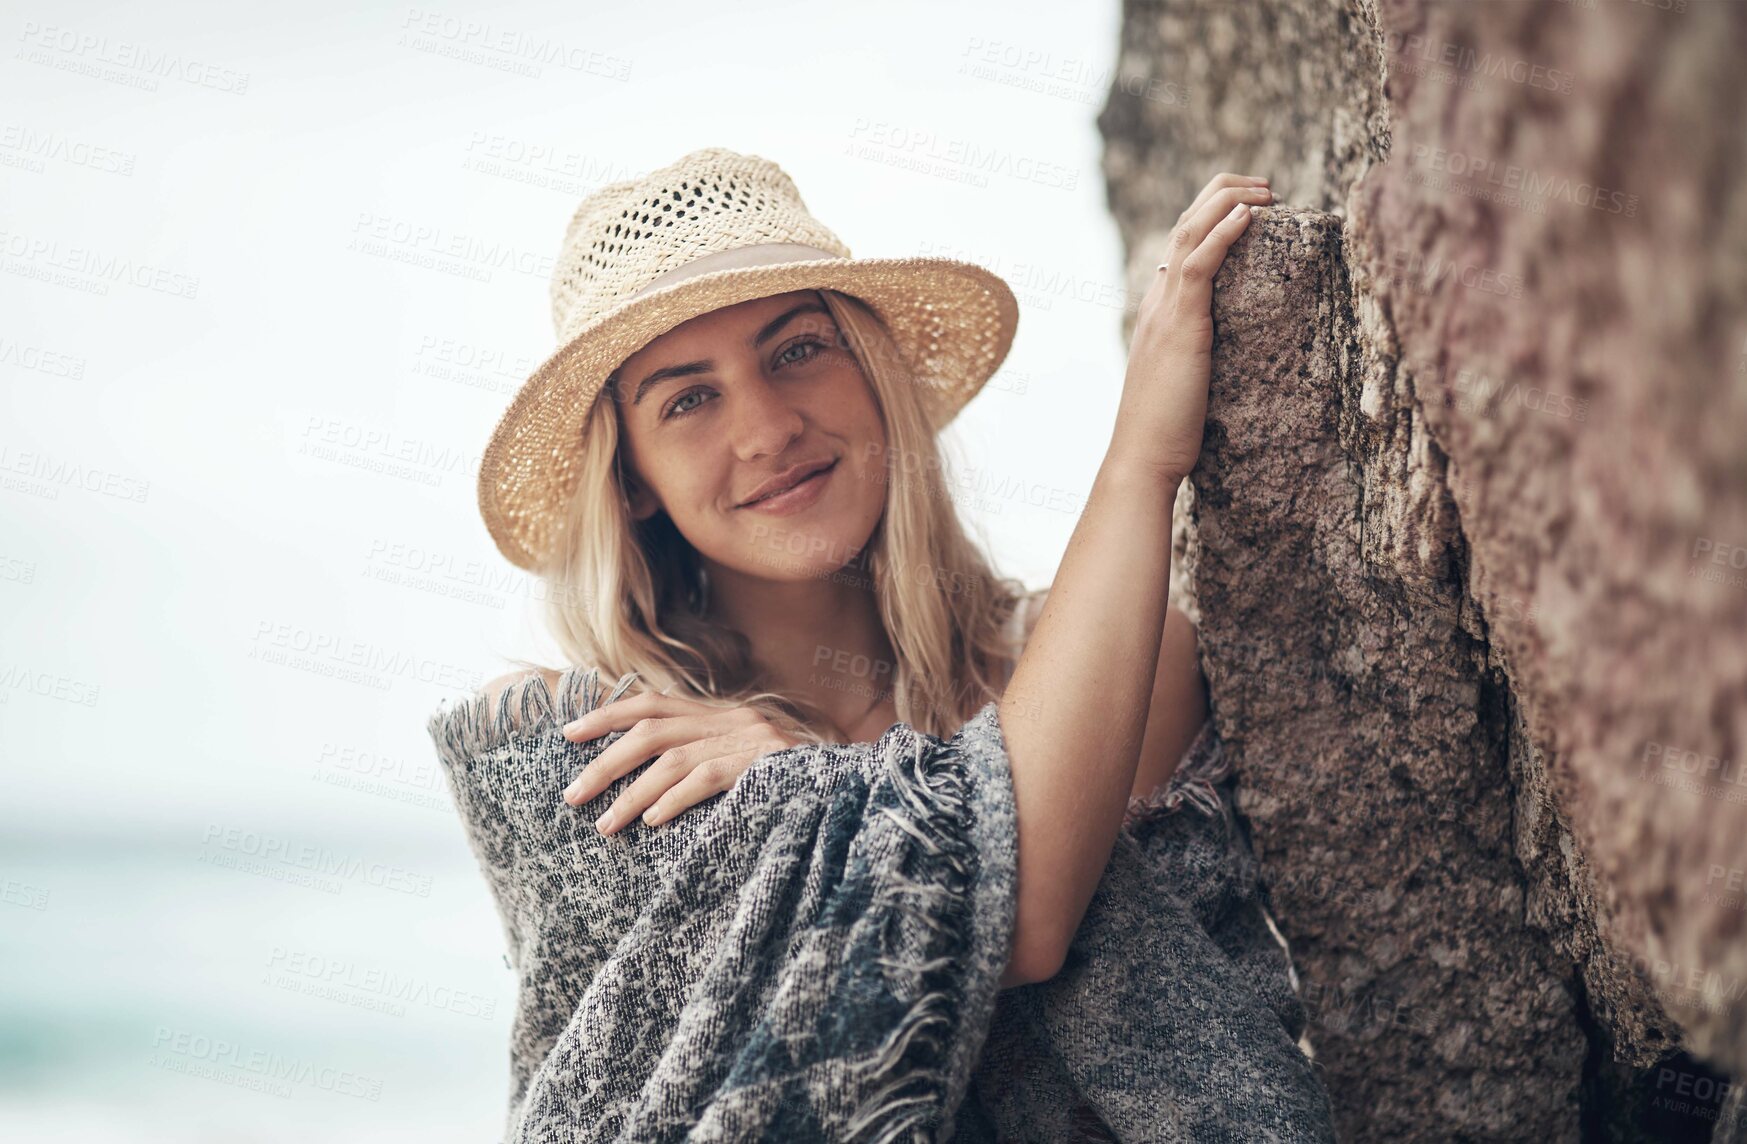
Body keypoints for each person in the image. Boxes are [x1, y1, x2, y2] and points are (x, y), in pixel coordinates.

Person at [464, 147, 1270, 994]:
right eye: (689, 400)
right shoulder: (583, 751)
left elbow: (1017, 916)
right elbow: (1008, 917)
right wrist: (1141, 461)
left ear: (873, 372)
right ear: (630, 481)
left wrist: (803, 790)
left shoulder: (1122, 660)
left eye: (798, 351)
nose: (769, 431)